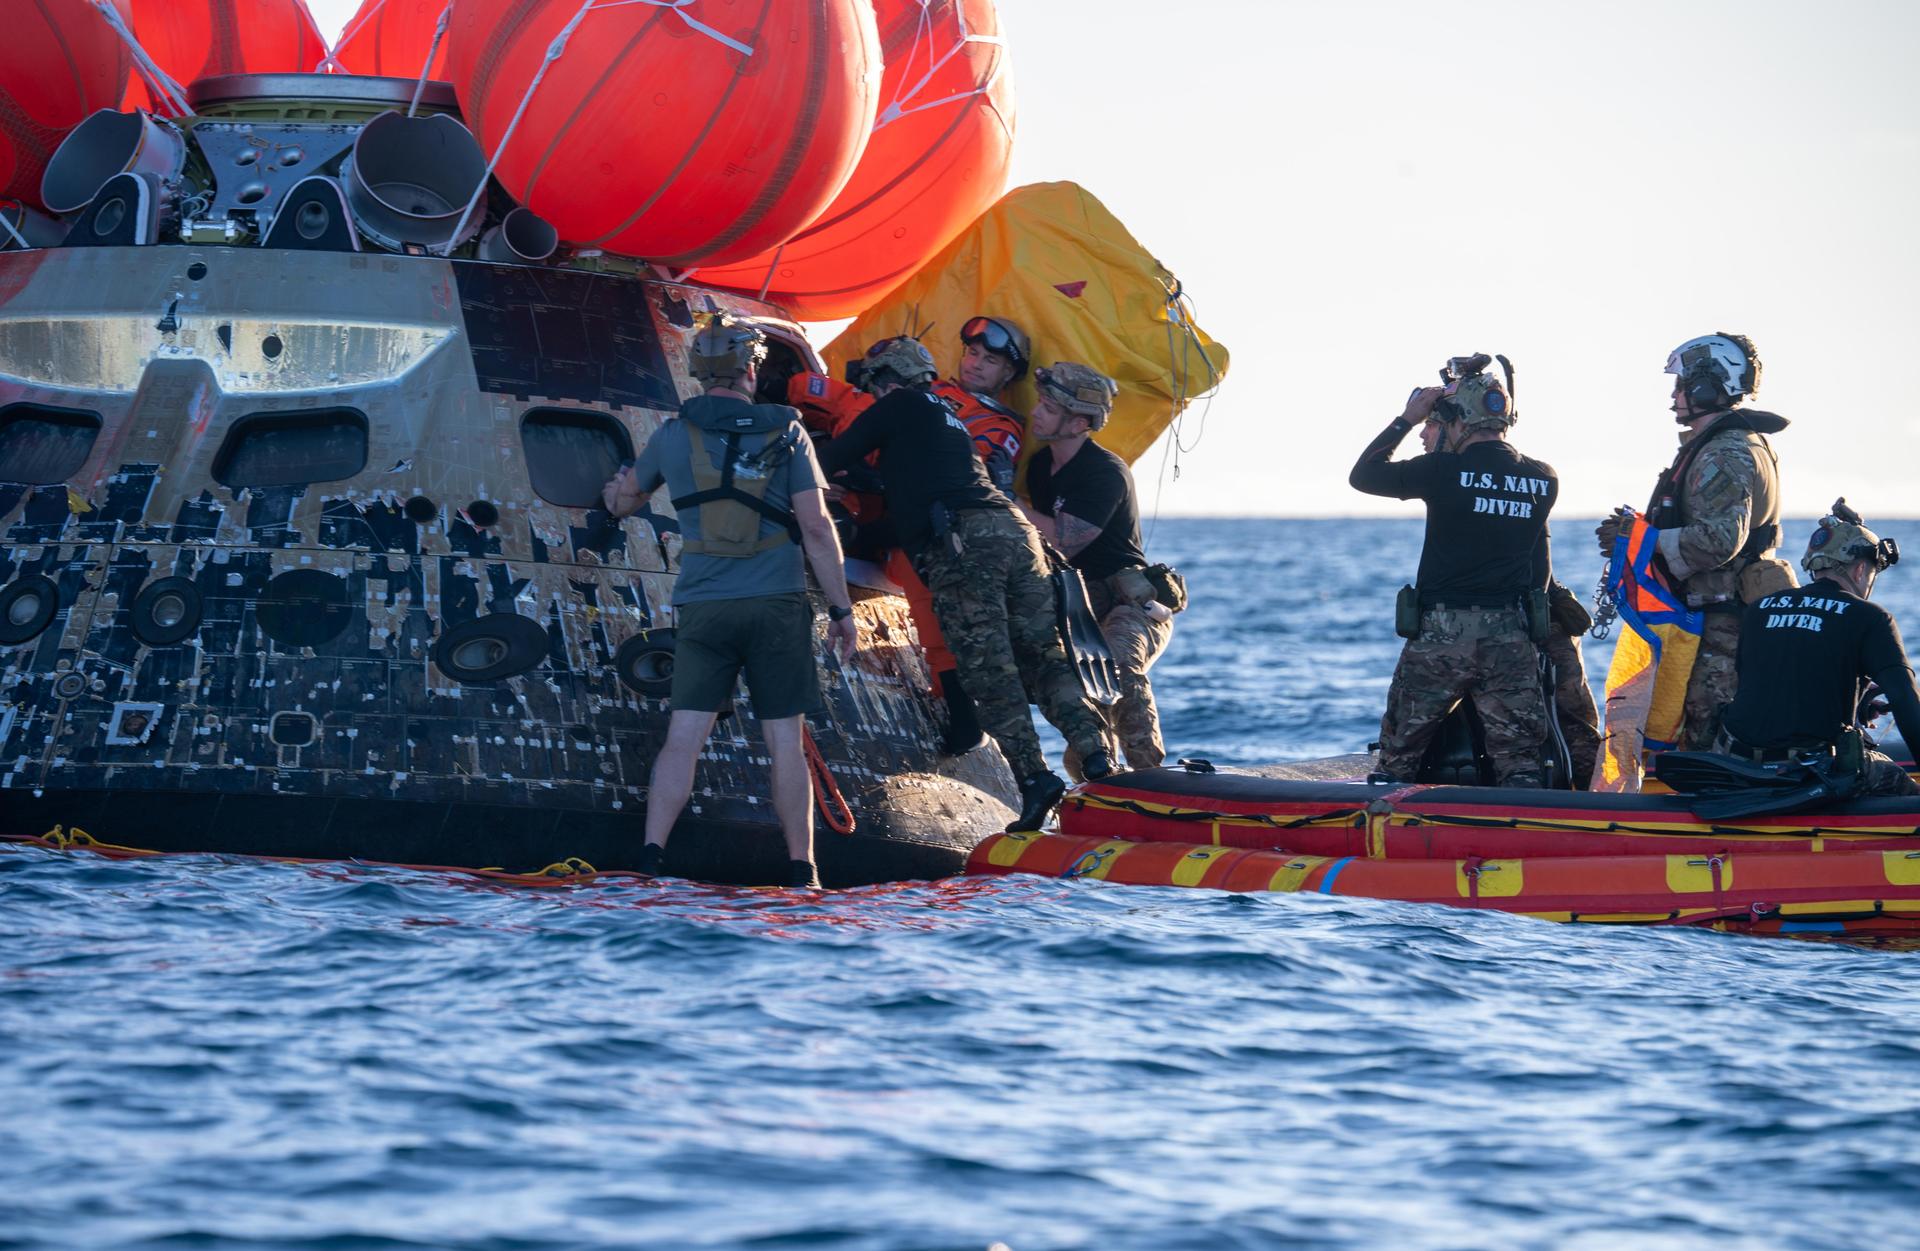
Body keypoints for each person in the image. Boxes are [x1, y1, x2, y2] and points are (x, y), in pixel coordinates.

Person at [601, 317, 860, 888]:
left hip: (704, 604)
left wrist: (614, 490)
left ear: (698, 373)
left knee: (684, 736)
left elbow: (624, 501)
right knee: (784, 743)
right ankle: (802, 870)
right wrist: (842, 611)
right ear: (751, 368)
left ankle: (649, 861)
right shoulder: (789, 433)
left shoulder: (672, 435)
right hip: (775, 603)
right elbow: (816, 528)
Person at [818, 336, 1113, 831]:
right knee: (1044, 656)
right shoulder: (948, 420)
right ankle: (1095, 755)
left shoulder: (897, 404)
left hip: (966, 543)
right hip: (1016, 534)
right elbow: (912, 486)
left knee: (989, 672)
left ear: (884, 382)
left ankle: (1035, 780)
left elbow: (828, 458)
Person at [786, 316, 1032, 754]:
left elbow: (963, 475)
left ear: (1008, 374)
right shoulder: (921, 396)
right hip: (872, 507)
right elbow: (816, 393)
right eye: (972, 353)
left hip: (926, 524)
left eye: (989, 360)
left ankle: (960, 710)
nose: (975, 364)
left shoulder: (998, 427)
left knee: (935, 604)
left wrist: (866, 477)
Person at [1350, 354, 1556, 787]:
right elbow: (1540, 573)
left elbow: (1364, 476)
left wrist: (1407, 419)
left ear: (1457, 421)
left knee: (1398, 759)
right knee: (1520, 765)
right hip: (1509, 639)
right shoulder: (1543, 478)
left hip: (1441, 636)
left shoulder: (1442, 471)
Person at [1597, 333, 1792, 750]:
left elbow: (1718, 541)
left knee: (1707, 731)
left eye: (1682, 384)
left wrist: (1640, 538)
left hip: (1722, 627)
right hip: (1719, 617)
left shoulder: (1725, 453)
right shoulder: (1732, 445)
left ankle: (1716, 807)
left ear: (1708, 387)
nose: (1674, 394)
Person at [1018, 361, 1175, 778]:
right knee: (1083, 703)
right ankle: (1099, 785)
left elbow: (1065, 539)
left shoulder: (1105, 473)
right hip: (1080, 610)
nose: (1036, 413)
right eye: (1041, 403)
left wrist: (1009, 505)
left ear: (1079, 422)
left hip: (1130, 606)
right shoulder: (1039, 468)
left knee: (1121, 665)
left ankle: (1149, 779)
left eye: (1049, 408)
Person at [1715, 502, 1918, 796]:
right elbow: (1905, 701)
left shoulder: (1760, 610)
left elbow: (1768, 687)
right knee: (1899, 782)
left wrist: (1856, 700)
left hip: (1739, 763)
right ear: (1861, 569)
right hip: (1810, 770)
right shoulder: (1871, 617)